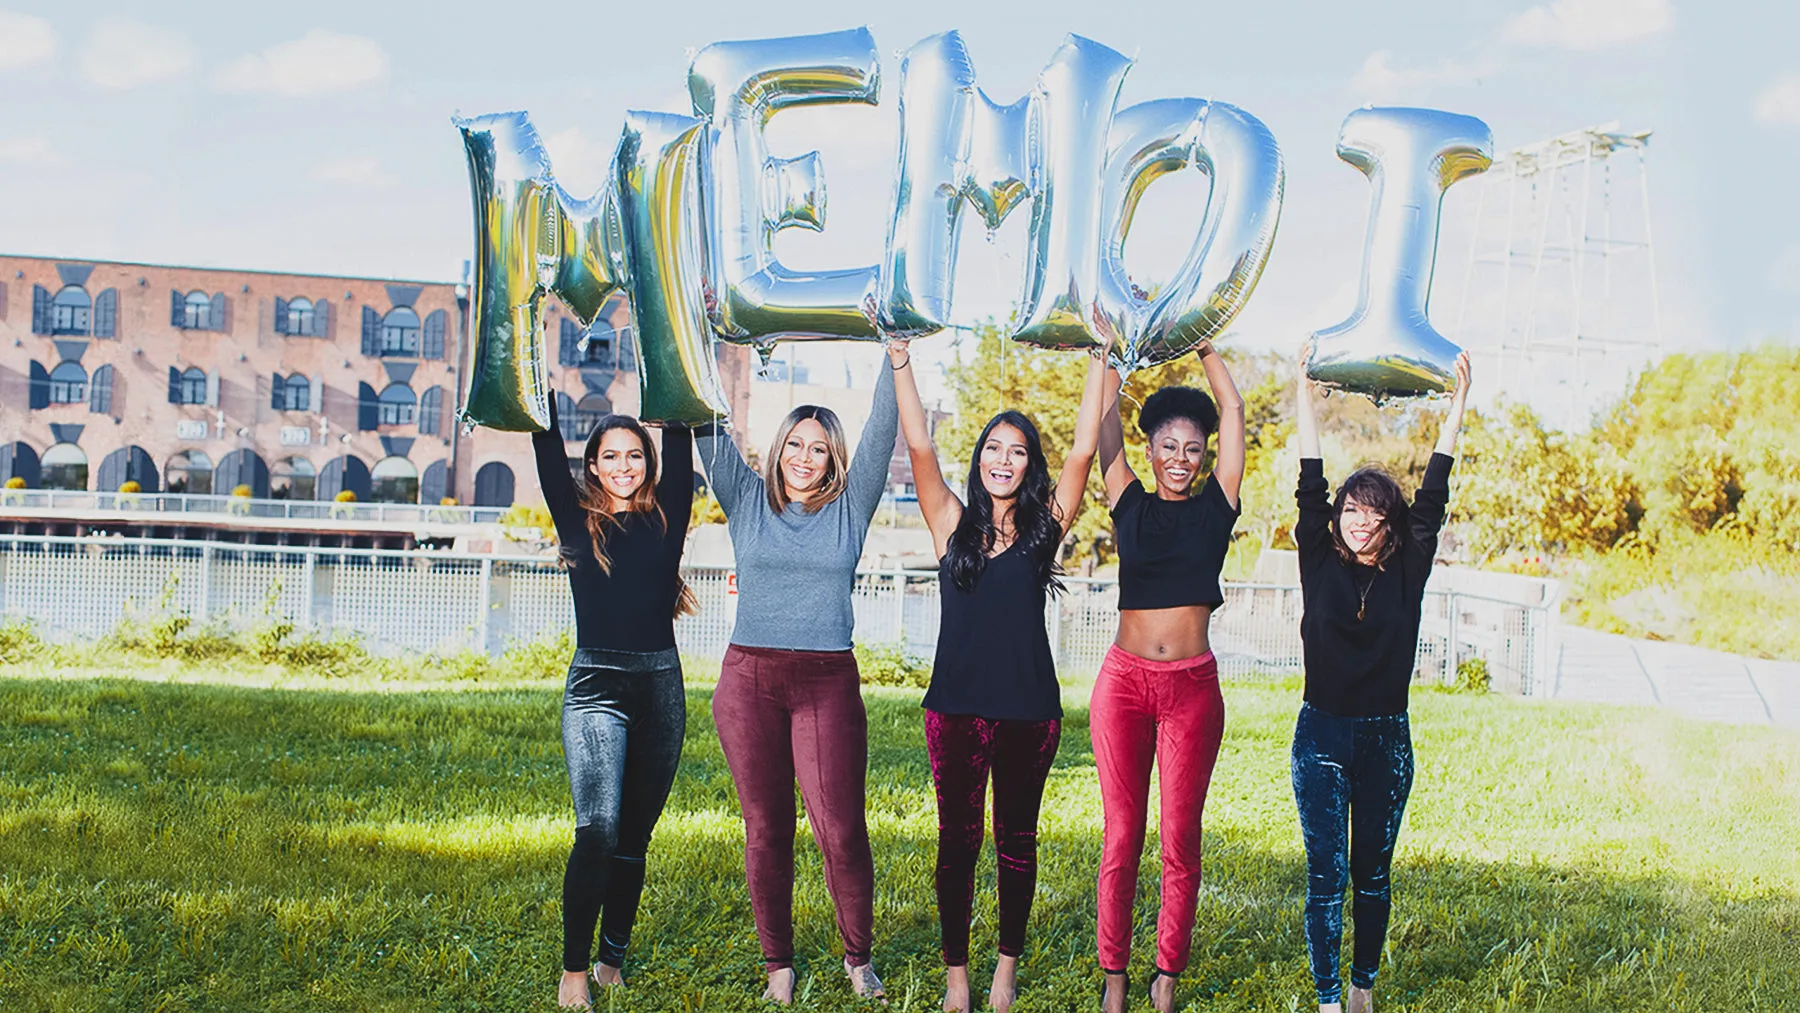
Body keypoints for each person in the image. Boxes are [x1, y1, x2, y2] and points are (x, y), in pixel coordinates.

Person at [890, 341, 1107, 1013]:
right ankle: (958, 978)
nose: (1002, 460)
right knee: (956, 844)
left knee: (1016, 842)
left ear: (1027, 464)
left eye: (1016, 450)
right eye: (992, 447)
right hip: (953, 709)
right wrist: (901, 361)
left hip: (1027, 711)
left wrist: (1100, 355)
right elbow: (921, 448)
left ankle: (1004, 970)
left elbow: (1081, 451)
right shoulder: (950, 523)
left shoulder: (1045, 530)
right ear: (979, 456)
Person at [696, 356, 900, 1004]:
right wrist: (702, 333)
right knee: (767, 825)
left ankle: (857, 956)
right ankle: (777, 963)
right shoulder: (747, 499)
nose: (804, 456)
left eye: (818, 448)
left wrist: (895, 352)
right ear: (778, 447)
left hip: (825, 680)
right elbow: (705, 424)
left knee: (840, 825)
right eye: (794, 444)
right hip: (748, 680)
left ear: (832, 457)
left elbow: (882, 430)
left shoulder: (851, 506)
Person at [1289, 345, 1471, 1013]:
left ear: (1390, 521)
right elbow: (1310, 474)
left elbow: (1435, 493)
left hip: (1387, 743)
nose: (1361, 521)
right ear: (1336, 516)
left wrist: (1455, 406)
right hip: (1322, 738)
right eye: (1351, 510)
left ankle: (1363, 989)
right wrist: (1303, 389)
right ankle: (1330, 999)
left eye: (1375, 512)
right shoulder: (1317, 553)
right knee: (1325, 875)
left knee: (1372, 874)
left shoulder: (1408, 566)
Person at [1091, 340, 1245, 1013]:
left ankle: (1167, 975)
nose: (1180, 459)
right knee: (1122, 834)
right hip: (1123, 684)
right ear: (1149, 450)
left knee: (1181, 836)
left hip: (1192, 690)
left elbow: (1233, 410)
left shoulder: (1218, 506)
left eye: (1192, 449)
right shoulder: (1128, 500)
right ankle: (1116, 976)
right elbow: (1100, 422)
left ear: (1205, 457)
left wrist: (1203, 343)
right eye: (1169, 446)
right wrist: (1111, 358)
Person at [531, 401, 696, 1009]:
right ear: (593, 468)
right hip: (597, 687)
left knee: (633, 838)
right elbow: (544, 438)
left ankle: (611, 961)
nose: (624, 466)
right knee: (597, 828)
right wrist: (531, 318)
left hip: (659, 688)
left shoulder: (668, 512)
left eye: (634, 455)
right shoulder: (576, 519)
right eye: (610, 458)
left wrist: (677, 311)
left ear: (647, 462)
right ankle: (574, 969)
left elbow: (679, 419)